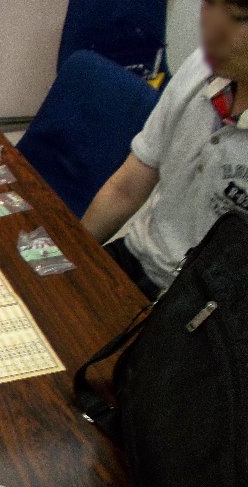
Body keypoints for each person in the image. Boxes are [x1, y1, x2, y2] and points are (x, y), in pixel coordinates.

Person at [81, 0, 248, 300]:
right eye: (210, 3)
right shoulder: (203, 65)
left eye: (237, 18)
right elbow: (126, 188)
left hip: (205, 305)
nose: (210, 28)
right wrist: (73, 254)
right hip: (140, 255)